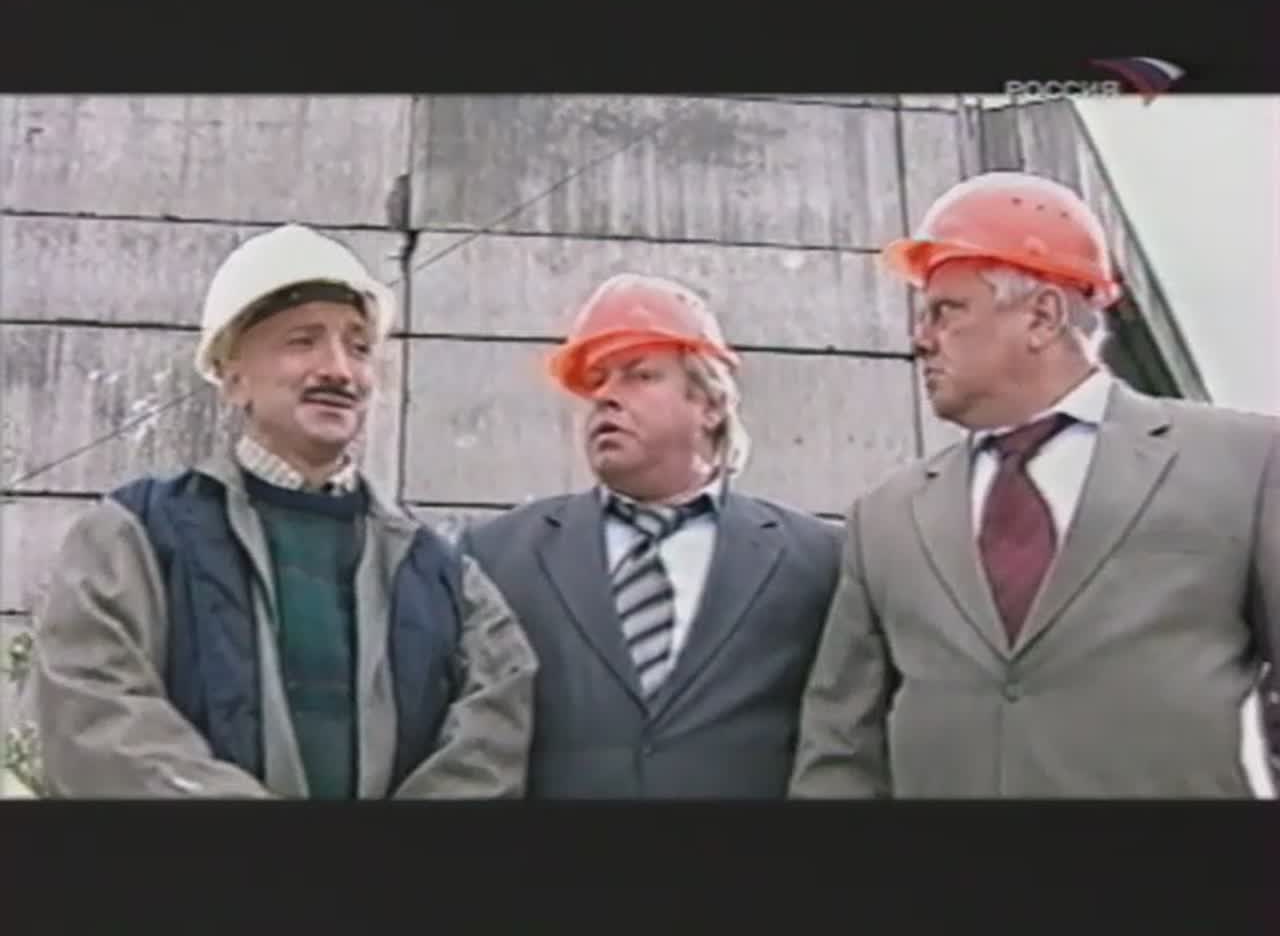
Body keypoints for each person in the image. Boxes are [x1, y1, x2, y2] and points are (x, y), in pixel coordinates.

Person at [788, 171, 1280, 799]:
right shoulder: (884, 518)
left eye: (946, 311)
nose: (920, 340)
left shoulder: (1244, 464)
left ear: (1042, 316)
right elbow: (839, 750)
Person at [29, 223, 538, 799]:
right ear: (233, 378)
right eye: (302, 341)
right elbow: (96, 723)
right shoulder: (137, 537)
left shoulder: (444, 575)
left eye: (359, 347)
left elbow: (490, 742)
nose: (339, 370)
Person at [459, 273, 841, 798]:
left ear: (710, 404)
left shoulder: (816, 560)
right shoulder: (499, 555)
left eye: (638, 376)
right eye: (597, 382)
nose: (605, 397)